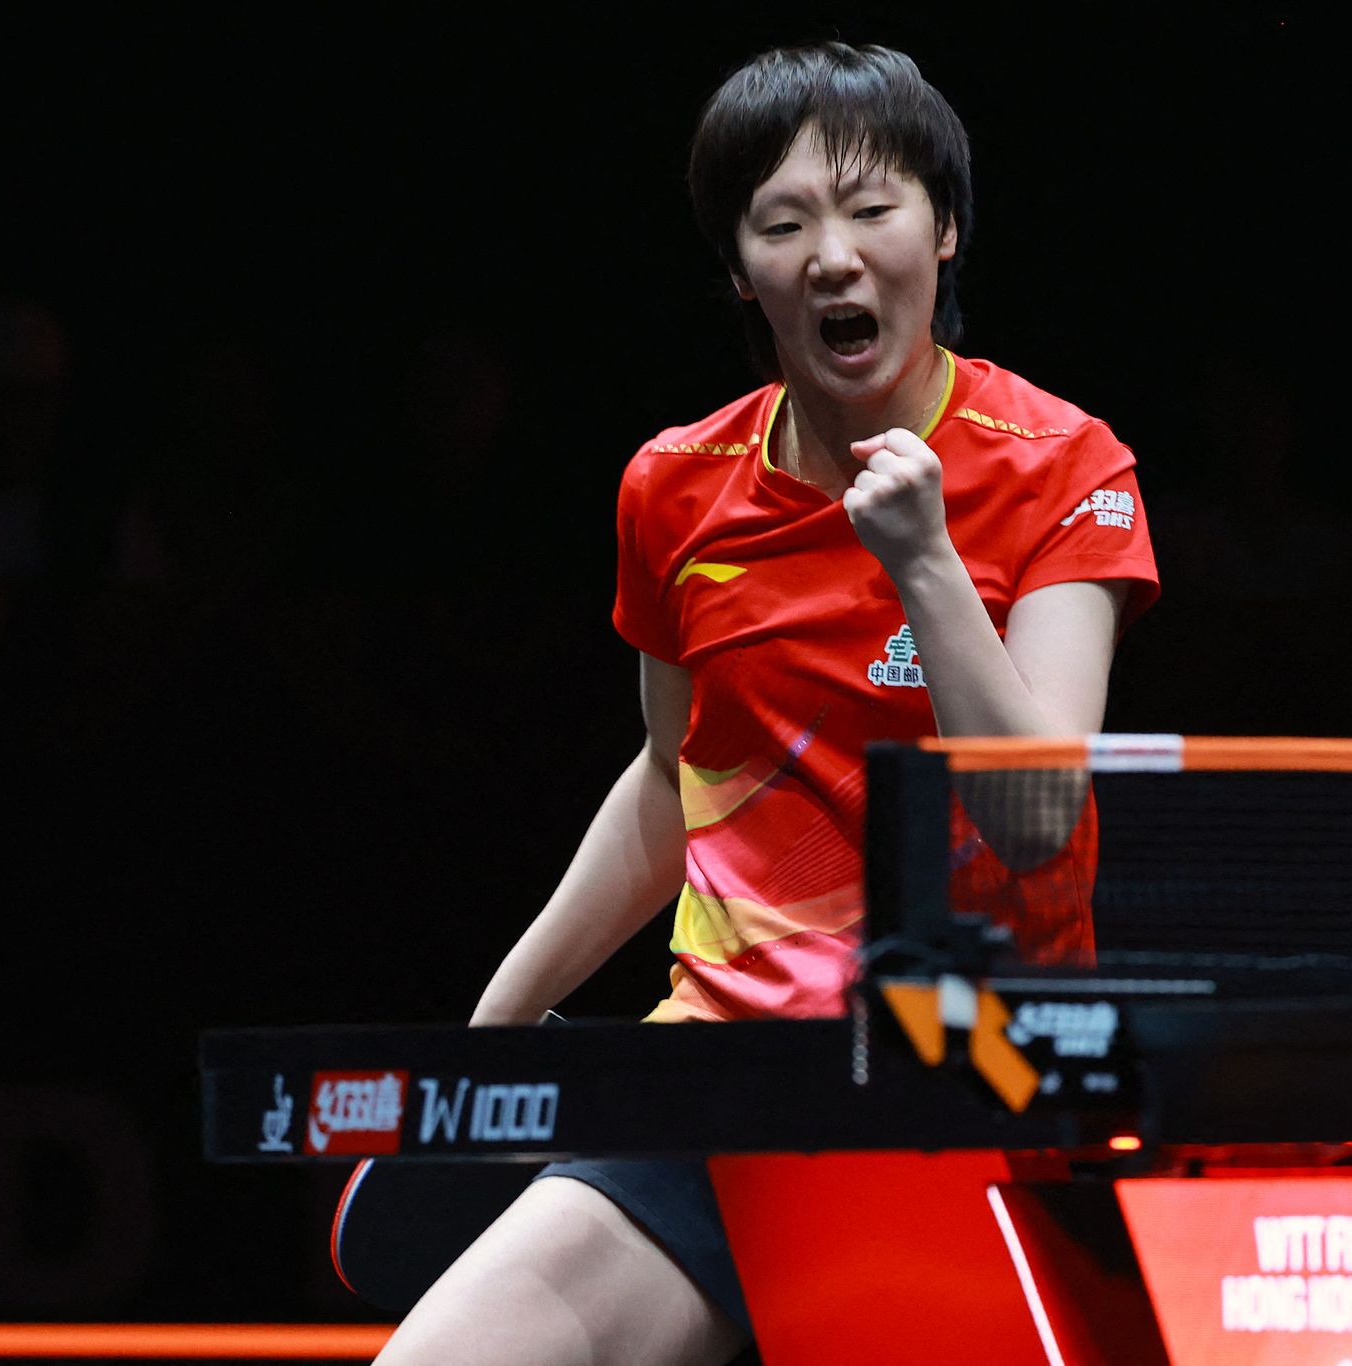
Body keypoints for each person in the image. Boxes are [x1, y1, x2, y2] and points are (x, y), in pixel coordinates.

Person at [372, 39, 1160, 1366]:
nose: (833, 255)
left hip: (977, 1082)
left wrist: (922, 560)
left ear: (946, 230)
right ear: (745, 270)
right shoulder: (675, 488)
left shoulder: (1062, 466)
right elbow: (672, 778)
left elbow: (1039, 817)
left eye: (872, 207)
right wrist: (491, 1032)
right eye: (783, 222)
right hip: (719, 1085)